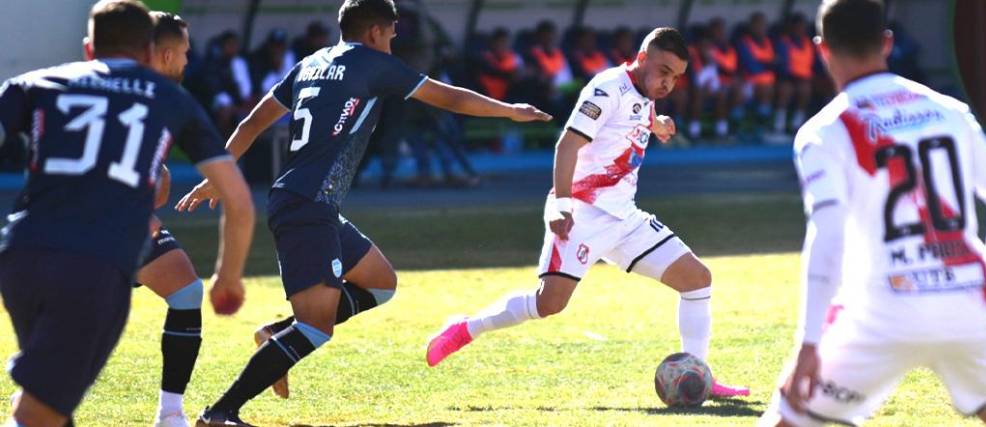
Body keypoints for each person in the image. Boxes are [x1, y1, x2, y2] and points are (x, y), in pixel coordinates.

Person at [175, 0, 551, 425]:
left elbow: (249, 126)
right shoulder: (374, 63)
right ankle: (220, 412)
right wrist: (510, 110)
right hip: (308, 205)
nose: (394, 38)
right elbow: (448, 98)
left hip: (312, 202)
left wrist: (216, 178)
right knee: (315, 328)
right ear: (375, 31)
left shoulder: (310, 64)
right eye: (392, 31)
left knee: (380, 283)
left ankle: (278, 334)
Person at [424, 27, 750, 400]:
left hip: (625, 218)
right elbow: (567, 145)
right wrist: (562, 206)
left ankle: (699, 377)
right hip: (582, 212)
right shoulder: (607, 87)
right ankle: (466, 328)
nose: (668, 82)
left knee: (698, 280)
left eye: (675, 76)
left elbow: (636, 116)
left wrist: (656, 124)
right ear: (642, 59)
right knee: (550, 303)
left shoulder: (644, 94)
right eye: (663, 71)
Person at [761, 1, 986, 426]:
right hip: (967, 301)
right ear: (887, 42)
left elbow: (827, 235)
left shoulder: (825, 131)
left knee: (791, 416)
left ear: (822, 49)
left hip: (883, 308)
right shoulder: (950, 111)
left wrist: (807, 345)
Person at [0, 1, 255, 426]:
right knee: (36, 412)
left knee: (50, 402)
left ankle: (168, 413)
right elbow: (240, 202)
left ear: (88, 48)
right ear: (150, 51)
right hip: (94, 263)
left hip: (22, 255)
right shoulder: (171, 100)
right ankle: (169, 414)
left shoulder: (33, 83)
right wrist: (228, 277)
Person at [141, 11, 214, 427]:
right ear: (166, 55)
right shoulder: (157, 98)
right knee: (79, 317)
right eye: (185, 52)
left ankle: (170, 414)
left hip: (111, 219)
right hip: (103, 221)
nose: (188, 61)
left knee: (185, 291)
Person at [774, 13, 815, 134]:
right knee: (785, 90)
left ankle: (796, 125)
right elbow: (781, 66)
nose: (800, 30)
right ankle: (778, 126)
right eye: (798, 27)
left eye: (802, 27)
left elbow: (816, 64)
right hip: (787, 78)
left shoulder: (809, 43)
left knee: (805, 90)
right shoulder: (784, 43)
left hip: (805, 79)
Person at [737, 12, 777, 124]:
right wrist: (769, 63)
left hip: (768, 83)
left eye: (763, 25)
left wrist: (767, 63)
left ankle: (772, 125)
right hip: (747, 83)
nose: (760, 28)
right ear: (751, 27)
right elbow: (752, 66)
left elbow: (778, 63)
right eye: (757, 25)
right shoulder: (744, 42)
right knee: (765, 90)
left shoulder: (769, 42)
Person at [707, 18, 743, 138]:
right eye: (717, 31)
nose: (720, 34)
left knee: (738, 92)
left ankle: (733, 126)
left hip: (726, 82)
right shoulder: (706, 47)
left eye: (721, 31)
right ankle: (721, 130)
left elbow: (731, 68)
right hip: (708, 83)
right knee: (721, 94)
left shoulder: (729, 48)